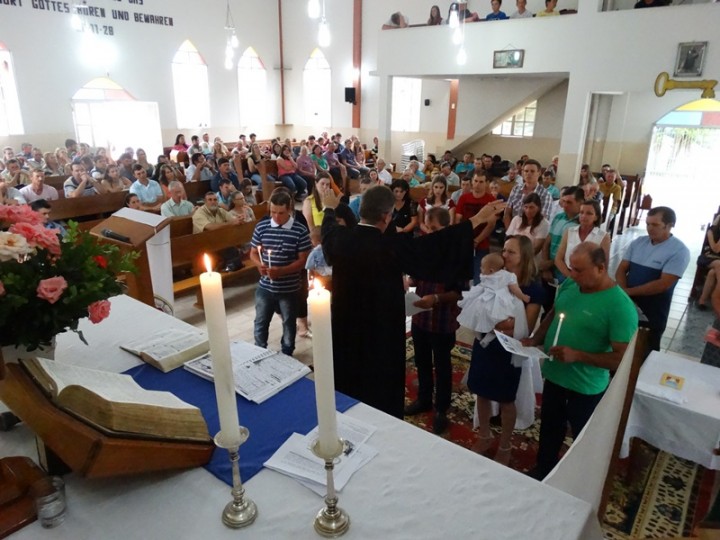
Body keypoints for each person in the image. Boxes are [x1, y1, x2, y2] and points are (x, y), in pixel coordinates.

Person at [321, 185, 506, 418]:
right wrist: (477, 219)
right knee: (381, 379)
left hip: (347, 328)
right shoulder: (392, 247)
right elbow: (436, 244)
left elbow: (329, 230)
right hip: (381, 331)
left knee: (351, 375)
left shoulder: (339, 239)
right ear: (387, 216)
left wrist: (330, 208)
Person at [526, 242, 638, 479]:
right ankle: (544, 471)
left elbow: (622, 359)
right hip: (556, 376)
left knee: (583, 439)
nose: (572, 275)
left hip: (585, 387)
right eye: (571, 268)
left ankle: (579, 481)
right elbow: (555, 312)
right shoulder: (570, 284)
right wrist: (537, 337)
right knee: (549, 429)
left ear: (601, 268)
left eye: (579, 270)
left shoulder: (619, 306)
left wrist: (578, 356)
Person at [466, 236, 545, 465]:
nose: (505, 256)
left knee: (506, 398)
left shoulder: (532, 288)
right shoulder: (491, 279)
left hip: (508, 351)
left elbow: (524, 326)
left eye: (511, 252)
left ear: (524, 257)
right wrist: (495, 321)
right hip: (485, 344)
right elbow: (475, 308)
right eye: (504, 250)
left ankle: (506, 444)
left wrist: (494, 321)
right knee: (481, 390)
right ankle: (484, 435)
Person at [404, 207, 466, 434]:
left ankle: (441, 408)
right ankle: (423, 399)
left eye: (434, 229)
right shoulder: (425, 250)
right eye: (427, 228)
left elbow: (459, 293)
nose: (429, 233)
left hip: (442, 321)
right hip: (420, 318)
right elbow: (414, 277)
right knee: (421, 361)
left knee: (442, 365)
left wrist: (437, 298)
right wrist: (406, 282)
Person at [615, 206, 690, 352]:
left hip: (653, 309)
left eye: (655, 225)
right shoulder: (638, 243)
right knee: (622, 346)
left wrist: (629, 292)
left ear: (669, 225)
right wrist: (624, 292)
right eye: (648, 224)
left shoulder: (679, 251)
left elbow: (663, 284)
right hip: (628, 304)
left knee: (645, 351)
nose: (649, 228)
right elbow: (622, 269)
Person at [249, 190, 311, 356]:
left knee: (289, 322)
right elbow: (253, 252)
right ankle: (259, 350)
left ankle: (287, 351)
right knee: (261, 321)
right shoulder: (262, 226)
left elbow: (303, 260)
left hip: (289, 288)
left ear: (289, 210)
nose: (276, 217)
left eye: (281, 213)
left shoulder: (299, 230)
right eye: (273, 212)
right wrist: (259, 265)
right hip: (265, 286)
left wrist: (282, 271)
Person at [458, 251, 531, 333]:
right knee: (488, 315)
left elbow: (515, 289)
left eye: (482, 267)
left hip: (491, 301)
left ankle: (487, 330)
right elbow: (515, 289)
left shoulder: (502, 275)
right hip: (491, 300)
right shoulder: (504, 275)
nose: (480, 268)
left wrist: (522, 296)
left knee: (486, 316)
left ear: (491, 270)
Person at [455, 172, 497, 284]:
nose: (477, 184)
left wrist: (477, 240)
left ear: (487, 183)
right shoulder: (463, 198)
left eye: (481, 182)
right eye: (476, 181)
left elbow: (491, 224)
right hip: (464, 241)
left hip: (482, 243)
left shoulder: (491, 200)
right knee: (460, 275)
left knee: (479, 276)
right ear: (472, 182)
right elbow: (458, 219)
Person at [555, 199, 610, 281]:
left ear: (596, 217)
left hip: (590, 278)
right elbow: (558, 259)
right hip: (567, 275)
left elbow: (604, 265)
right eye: (581, 212)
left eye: (589, 213)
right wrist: (571, 277)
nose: (584, 216)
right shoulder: (569, 231)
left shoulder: (603, 236)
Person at [503, 159, 553, 230]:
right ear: (522, 173)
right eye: (526, 171)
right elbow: (507, 214)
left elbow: (542, 220)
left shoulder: (545, 194)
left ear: (539, 173)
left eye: (532, 171)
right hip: (512, 230)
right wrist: (510, 232)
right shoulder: (516, 189)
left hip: (533, 233)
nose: (528, 173)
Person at [698, 214, 720, 310]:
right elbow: (715, 249)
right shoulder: (711, 231)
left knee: (712, 273)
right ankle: (716, 297)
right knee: (719, 264)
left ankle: (702, 300)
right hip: (708, 257)